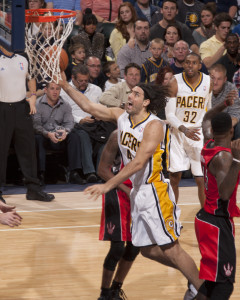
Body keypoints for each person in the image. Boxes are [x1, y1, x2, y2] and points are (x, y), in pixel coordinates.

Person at [58, 78, 204, 299]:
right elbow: (89, 106)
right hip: (139, 193)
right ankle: (195, 277)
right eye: (130, 93)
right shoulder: (121, 116)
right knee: (146, 249)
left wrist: (108, 185)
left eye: (135, 94)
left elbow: (138, 162)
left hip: (155, 191)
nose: (130, 96)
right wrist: (65, 86)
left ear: (145, 102)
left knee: (172, 248)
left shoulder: (154, 125)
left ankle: (202, 289)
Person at [195, 91, 240, 300]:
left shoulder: (209, 142)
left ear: (212, 130)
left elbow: (205, 118)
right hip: (217, 222)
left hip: (206, 219)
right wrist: (238, 160)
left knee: (213, 281)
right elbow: (224, 193)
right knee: (225, 285)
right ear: (231, 131)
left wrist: (223, 104)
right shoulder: (224, 157)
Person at [0, 46, 54, 203]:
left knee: (28, 149)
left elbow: (31, 77)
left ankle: (33, 189)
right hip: (2, 107)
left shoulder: (24, 55)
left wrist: (32, 95)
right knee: (1, 151)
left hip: (21, 108)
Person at [97, 130, 140, 300]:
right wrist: (128, 191)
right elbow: (102, 170)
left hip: (137, 192)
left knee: (135, 246)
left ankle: (115, 290)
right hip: (117, 190)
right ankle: (104, 294)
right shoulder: (117, 134)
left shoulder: (151, 132)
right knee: (117, 247)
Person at [166, 53, 212, 207]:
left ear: (199, 65)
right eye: (187, 62)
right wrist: (184, 130)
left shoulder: (208, 81)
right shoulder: (174, 82)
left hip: (197, 133)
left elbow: (209, 109)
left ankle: (206, 214)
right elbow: (169, 114)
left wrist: (208, 131)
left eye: (193, 63)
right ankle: (171, 214)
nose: (190, 66)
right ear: (183, 64)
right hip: (178, 132)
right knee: (174, 177)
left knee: (200, 178)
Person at [33, 82, 85, 185]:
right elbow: (36, 126)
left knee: (74, 136)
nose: (55, 92)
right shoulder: (37, 104)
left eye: (57, 89)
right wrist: (48, 134)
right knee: (37, 138)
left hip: (59, 136)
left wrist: (65, 131)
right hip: (45, 136)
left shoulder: (65, 105)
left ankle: (74, 172)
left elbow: (69, 122)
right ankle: (40, 174)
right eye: (52, 89)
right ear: (45, 90)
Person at [60, 64, 104, 183]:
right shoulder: (64, 91)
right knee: (82, 134)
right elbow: (65, 113)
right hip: (75, 123)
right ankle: (89, 172)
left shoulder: (96, 89)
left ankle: (102, 172)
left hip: (95, 123)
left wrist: (99, 116)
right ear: (73, 78)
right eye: (80, 81)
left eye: (86, 80)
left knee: (106, 136)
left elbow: (102, 107)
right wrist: (80, 119)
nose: (84, 83)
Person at [209, 64, 240, 139]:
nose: (215, 82)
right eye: (213, 78)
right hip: (206, 123)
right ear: (208, 76)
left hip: (225, 124)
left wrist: (224, 128)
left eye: (219, 79)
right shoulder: (202, 87)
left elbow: (235, 115)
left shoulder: (231, 89)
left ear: (225, 79)